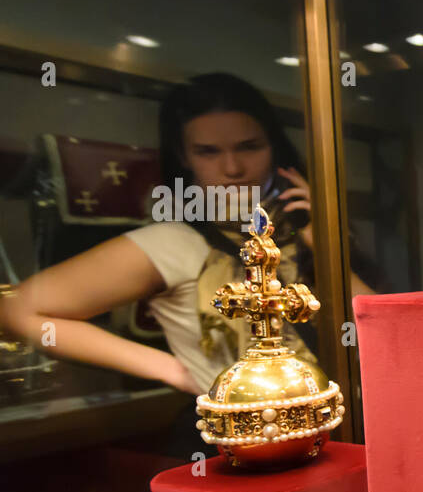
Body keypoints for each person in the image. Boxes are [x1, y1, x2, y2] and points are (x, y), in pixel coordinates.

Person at [0, 72, 372, 402]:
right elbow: (17, 310)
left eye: (249, 146)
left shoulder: (310, 231)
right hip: (246, 436)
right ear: (184, 156)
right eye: (208, 152)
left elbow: (383, 338)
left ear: (274, 147)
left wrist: (322, 239)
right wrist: (171, 369)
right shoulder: (173, 242)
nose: (233, 168)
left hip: (348, 422)